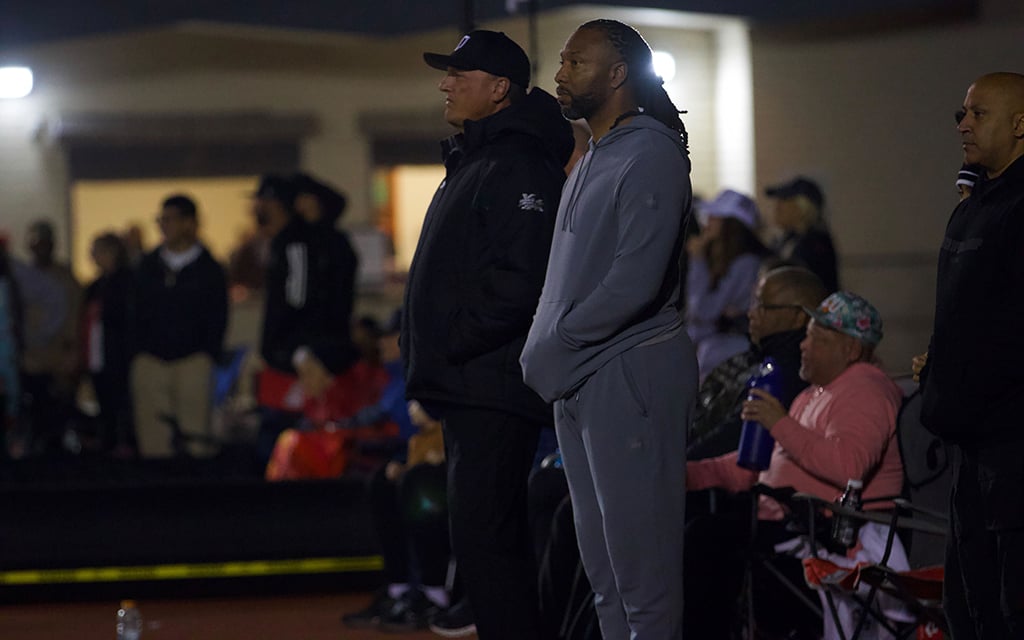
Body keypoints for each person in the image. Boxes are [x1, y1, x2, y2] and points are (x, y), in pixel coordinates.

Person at [520, 19, 696, 639]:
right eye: (562, 61)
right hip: (581, 377)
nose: (561, 73)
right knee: (606, 582)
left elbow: (634, 282)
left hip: (630, 373)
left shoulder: (650, 154)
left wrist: (554, 343)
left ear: (618, 75)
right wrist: (551, 352)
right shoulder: (593, 156)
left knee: (641, 580)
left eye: (576, 62)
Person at [400, 30, 573, 640]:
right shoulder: (483, 158)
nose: (446, 83)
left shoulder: (517, 163)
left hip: (490, 385)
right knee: (481, 545)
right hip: (473, 383)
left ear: (499, 89)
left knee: (489, 546)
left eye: (460, 74)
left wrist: (449, 341)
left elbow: (520, 281)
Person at [685, 291, 903, 638]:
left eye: (817, 336)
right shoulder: (812, 393)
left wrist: (779, 423)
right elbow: (754, 468)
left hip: (826, 537)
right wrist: (685, 475)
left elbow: (850, 467)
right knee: (696, 528)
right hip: (786, 525)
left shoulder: (865, 386)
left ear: (852, 349)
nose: (804, 344)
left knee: (703, 542)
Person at [918, 71, 1024, 639]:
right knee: (969, 605)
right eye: (962, 113)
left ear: (1020, 124)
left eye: (978, 113)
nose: (962, 124)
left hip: (1008, 450)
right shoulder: (975, 204)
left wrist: (966, 379)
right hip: (969, 448)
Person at [253, 173, 360, 465]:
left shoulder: (299, 243)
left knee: (291, 441)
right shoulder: (332, 242)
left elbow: (297, 301)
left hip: (304, 355)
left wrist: (297, 352)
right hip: (315, 351)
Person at [688, 265, 828, 460]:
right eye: (753, 304)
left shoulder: (788, 373)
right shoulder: (759, 358)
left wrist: (680, 465)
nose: (751, 313)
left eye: (763, 306)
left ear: (798, 317)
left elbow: (731, 438)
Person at [132, 194, 228, 457]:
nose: (163, 226)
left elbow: (218, 315)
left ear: (189, 223)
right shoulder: (148, 267)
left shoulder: (209, 269)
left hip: (193, 361)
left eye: (170, 219)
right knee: (154, 439)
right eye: (161, 220)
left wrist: (208, 352)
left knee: (196, 436)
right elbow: (135, 311)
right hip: (151, 360)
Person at [12, 219, 82, 455]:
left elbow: (75, 317)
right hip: (29, 360)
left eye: (44, 242)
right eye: (35, 243)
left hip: (58, 359)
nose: (39, 247)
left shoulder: (65, 278)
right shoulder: (20, 276)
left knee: (59, 417)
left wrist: (72, 354)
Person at [685, 189, 771, 379]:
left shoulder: (746, 263)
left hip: (729, 351)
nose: (707, 221)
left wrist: (697, 261)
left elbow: (702, 311)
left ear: (731, 224)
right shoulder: (726, 258)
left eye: (715, 216)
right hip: (717, 348)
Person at [82, 232, 135, 454]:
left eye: (97, 250)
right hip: (98, 353)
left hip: (119, 354)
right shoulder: (95, 285)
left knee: (123, 404)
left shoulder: (127, 282)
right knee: (105, 404)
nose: (93, 256)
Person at [764, 175, 839, 293]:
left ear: (802, 207)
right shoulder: (788, 240)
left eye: (784, 202)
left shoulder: (815, 245)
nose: (777, 208)